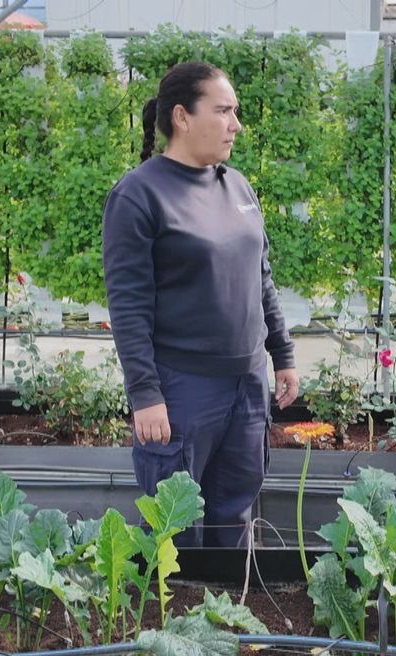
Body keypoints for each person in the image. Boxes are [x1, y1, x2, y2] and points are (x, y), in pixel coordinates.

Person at [102, 61, 299, 548]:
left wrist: (283, 354)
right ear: (182, 117)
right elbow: (128, 306)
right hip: (182, 392)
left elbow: (261, 277)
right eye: (224, 110)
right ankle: (173, 625)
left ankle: (232, 621)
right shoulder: (138, 196)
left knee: (235, 521)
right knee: (174, 535)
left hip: (246, 387)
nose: (236, 124)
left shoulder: (236, 186)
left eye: (235, 112)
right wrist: (145, 395)